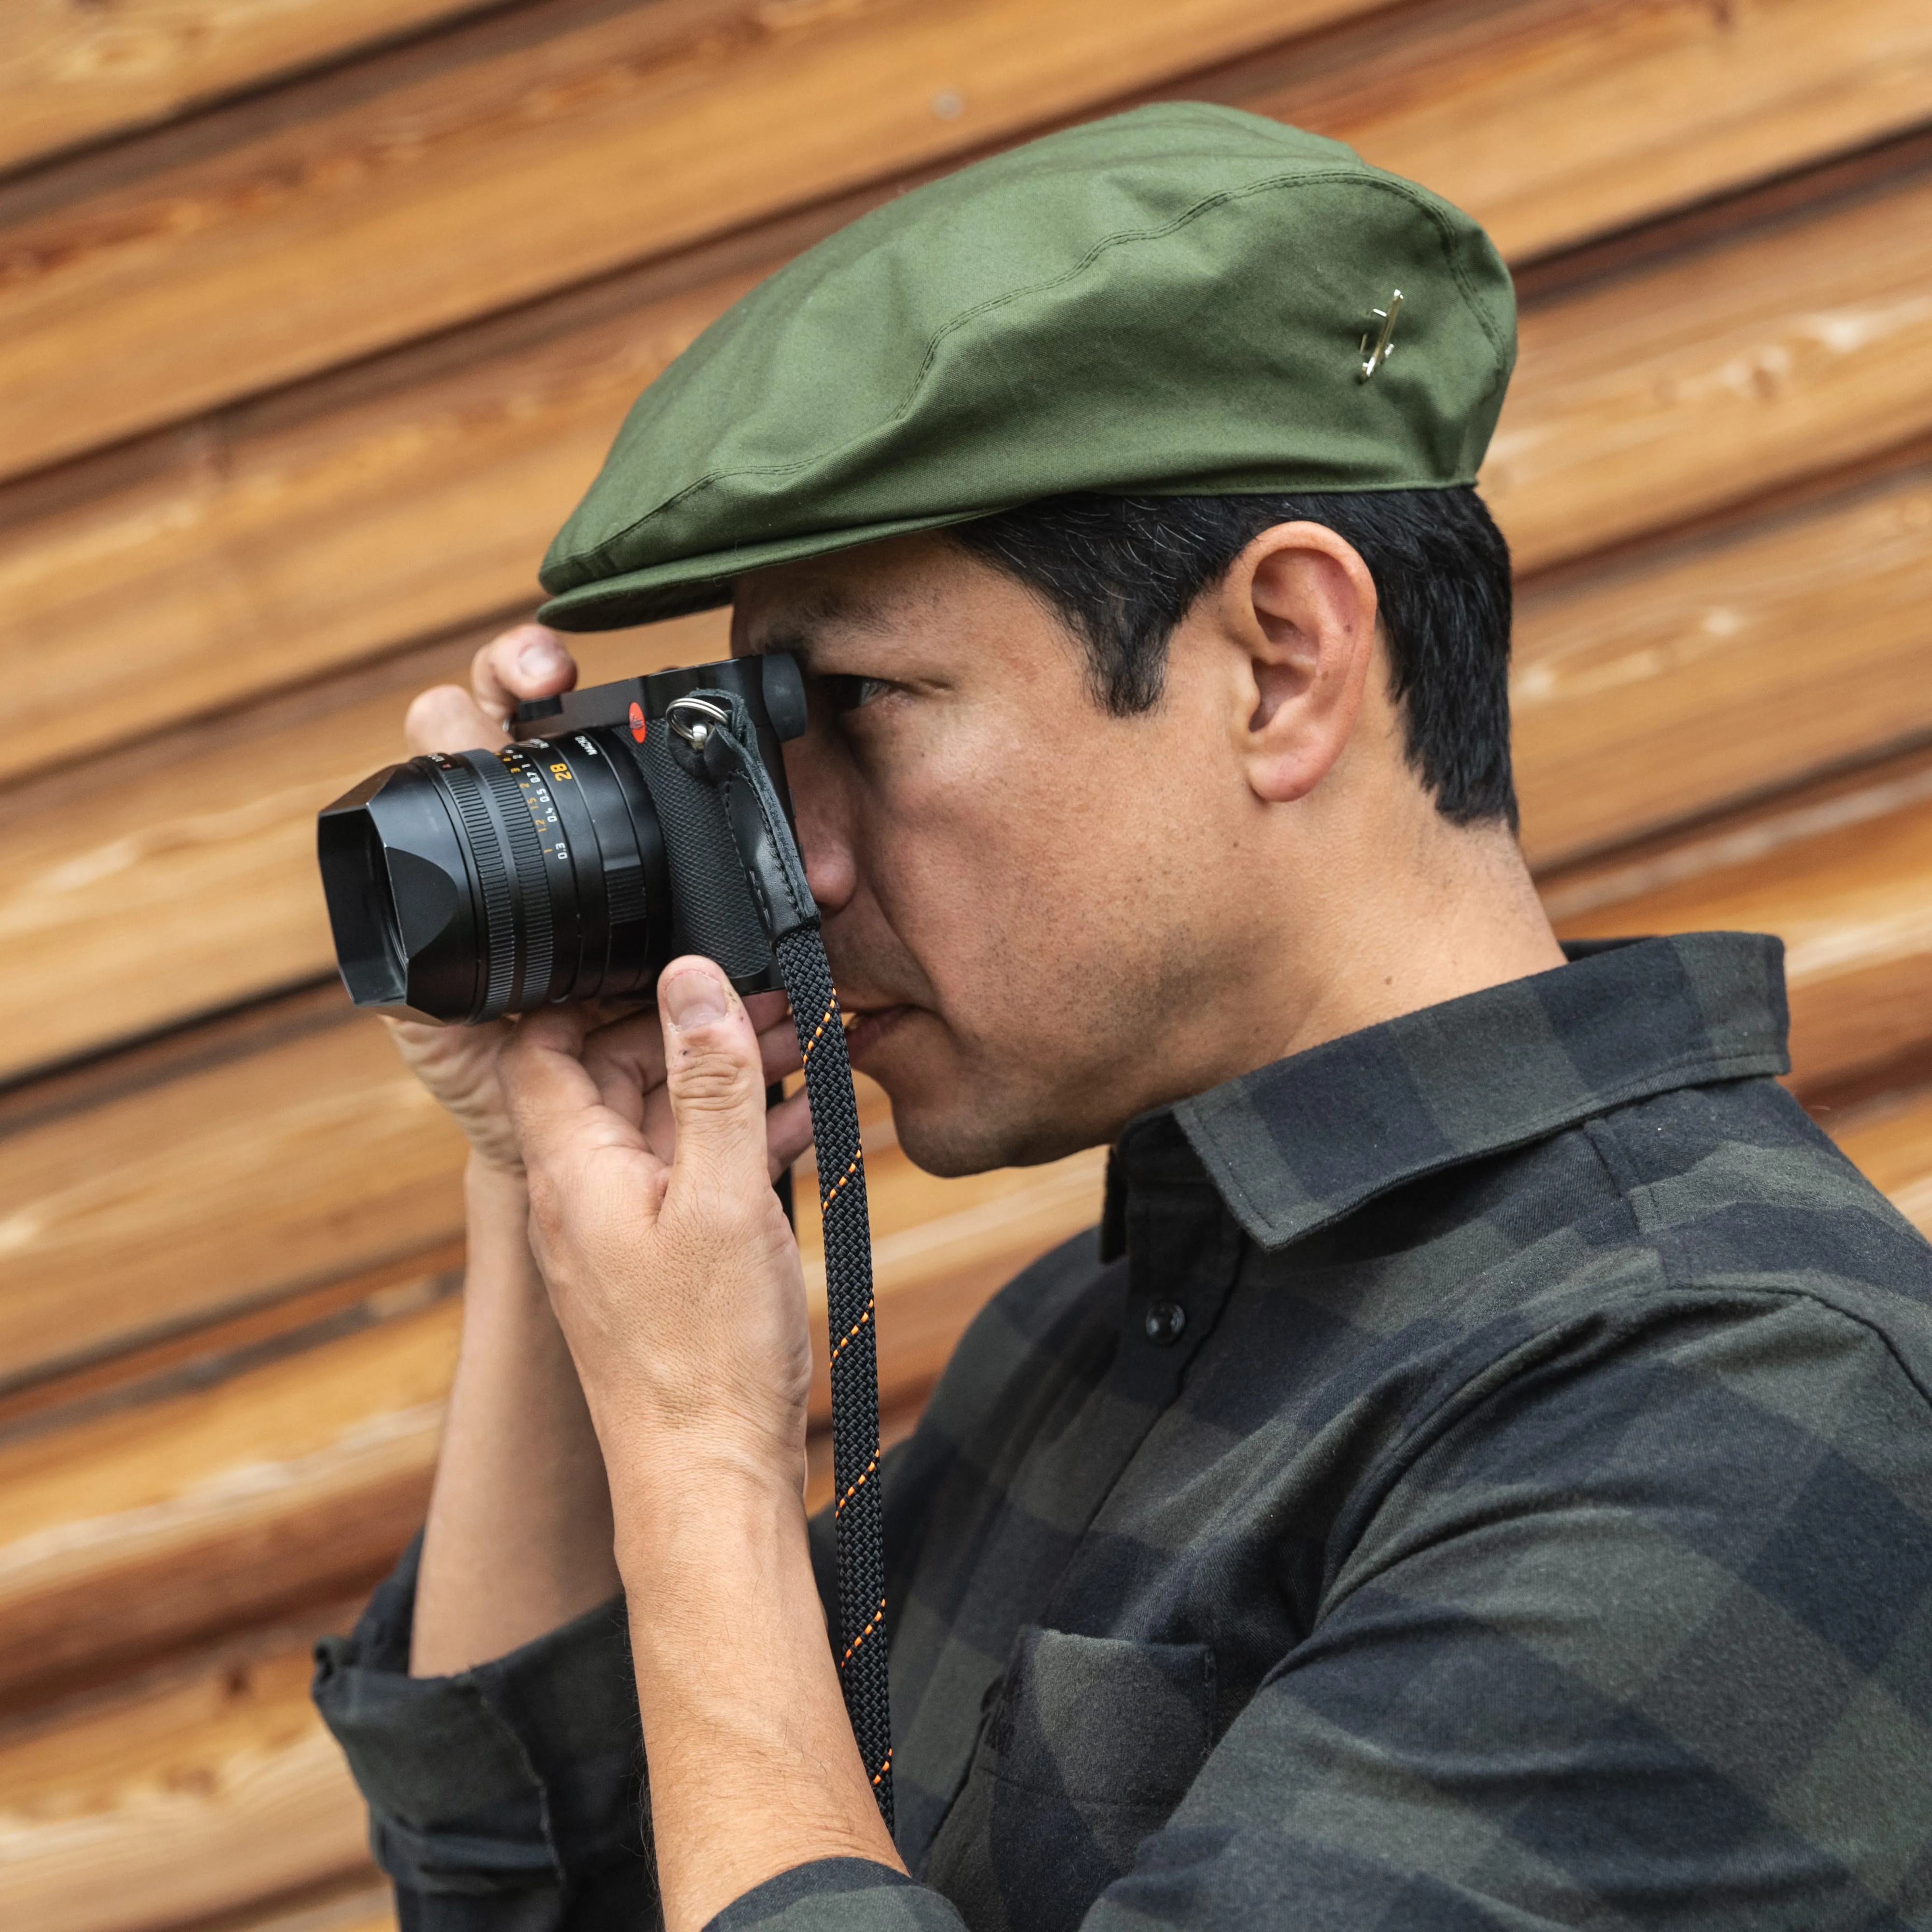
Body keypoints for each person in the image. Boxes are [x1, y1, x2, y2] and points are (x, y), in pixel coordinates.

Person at [313, 106, 1932, 1932]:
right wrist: (545, 1164)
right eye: (758, 745)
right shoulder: (1089, 1334)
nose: (799, 858)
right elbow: (553, 1898)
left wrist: (703, 1462)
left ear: (1282, 665)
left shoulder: (1726, 1399)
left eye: (858, 703)